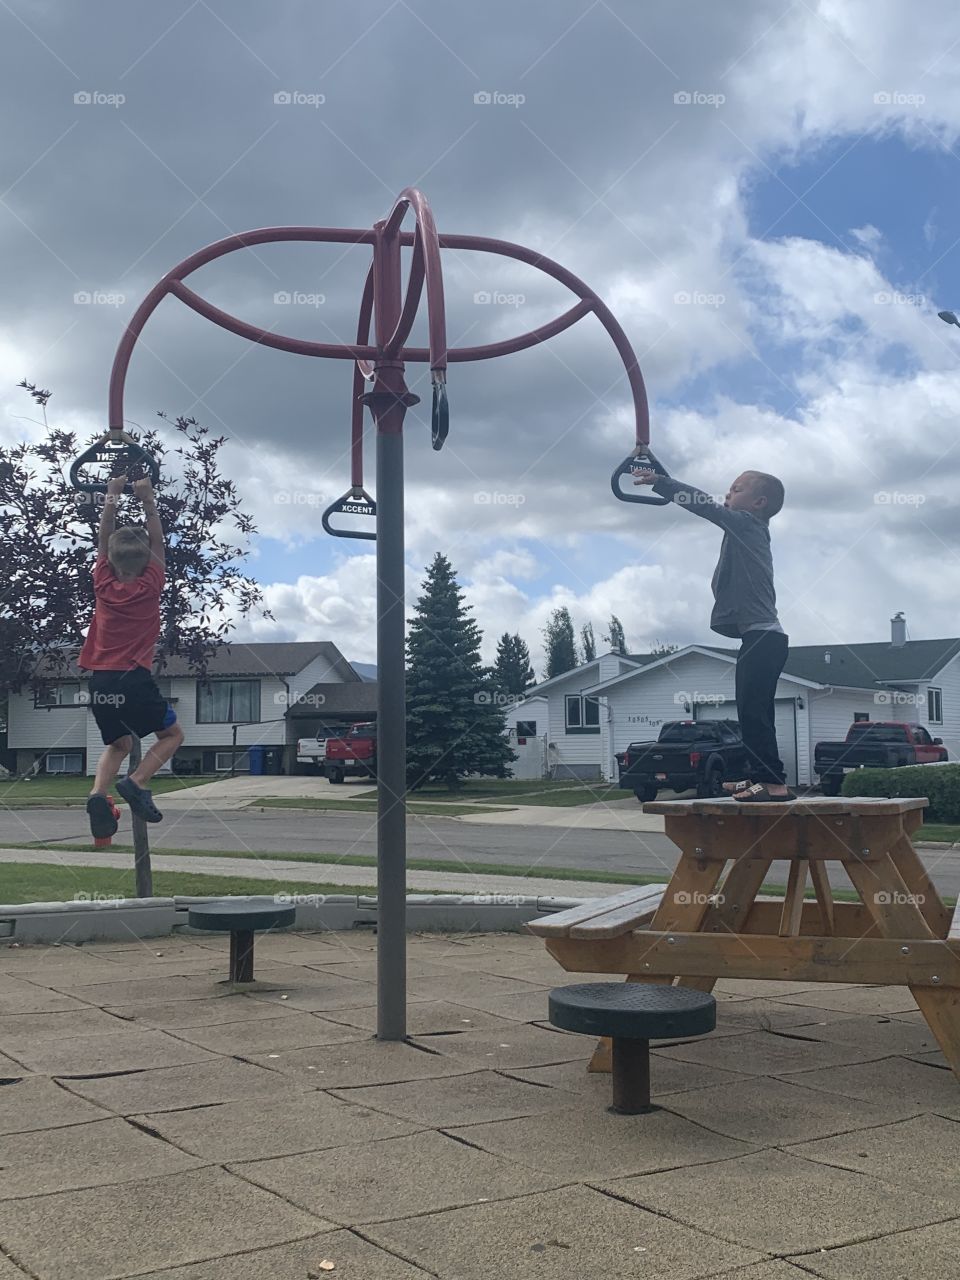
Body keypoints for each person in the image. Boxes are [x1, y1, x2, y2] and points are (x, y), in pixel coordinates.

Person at [633, 466, 789, 801]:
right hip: (760, 639)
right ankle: (759, 776)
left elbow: (704, 505)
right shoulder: (743, 530)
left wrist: (662, 483)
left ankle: (774, 784)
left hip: (764, 639)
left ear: (759, 502)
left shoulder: (747, 524)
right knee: (752, 713)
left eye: (737, 489)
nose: (728, 493)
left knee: (754, 713)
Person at [79, 473, 183, 837]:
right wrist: (147, 499)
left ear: (109, 560)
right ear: (148, 562)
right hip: (134, 678)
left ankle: (97, 794)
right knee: (172, 736)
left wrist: (111, 495)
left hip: (101, 682)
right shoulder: (152, 584)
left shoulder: (102, 583)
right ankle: (136, 783)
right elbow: (158, 540)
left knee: (119, 744)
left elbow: (103, 536)